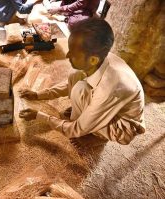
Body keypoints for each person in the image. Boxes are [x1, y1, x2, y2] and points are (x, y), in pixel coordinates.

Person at [19, 18, 145, 146]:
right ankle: (86, 114)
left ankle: (98, 136)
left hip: (121, 125)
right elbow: (69, 85)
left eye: (73, 53)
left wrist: (39, 116)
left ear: (93, 60)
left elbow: (76, 129)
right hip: (110, 103)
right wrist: (38, 95)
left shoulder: (108, 88)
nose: (67, 56)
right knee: (76, 76)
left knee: (79, 91)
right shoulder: (99, 57)